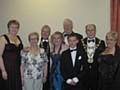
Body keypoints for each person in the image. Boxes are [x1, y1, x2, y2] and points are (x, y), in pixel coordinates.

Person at [0, 20, 23, 90]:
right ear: (8, 28)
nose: (14, 29)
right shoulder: (3, 38)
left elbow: (20, 51)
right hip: (7, 68)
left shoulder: (18, 38)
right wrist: (3, 70)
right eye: (12, 27)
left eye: (16, 27)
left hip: (17, 68)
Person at [81, 24, 105, 90]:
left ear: (95, 31)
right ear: (86, 31)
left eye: (92, 30)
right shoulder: (81, 42)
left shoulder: (101, 42)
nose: (90, 32)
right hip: (84, 74)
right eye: (88, 30)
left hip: (96, 73)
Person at [39, 25, 51, 90]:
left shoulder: (52, 43)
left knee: (47, 86)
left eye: (47, 32)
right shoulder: (36, 41)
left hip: (49, 68)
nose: (45, 33)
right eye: (43, 31)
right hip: (38, 68)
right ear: (41, 32)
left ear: (49, 33)